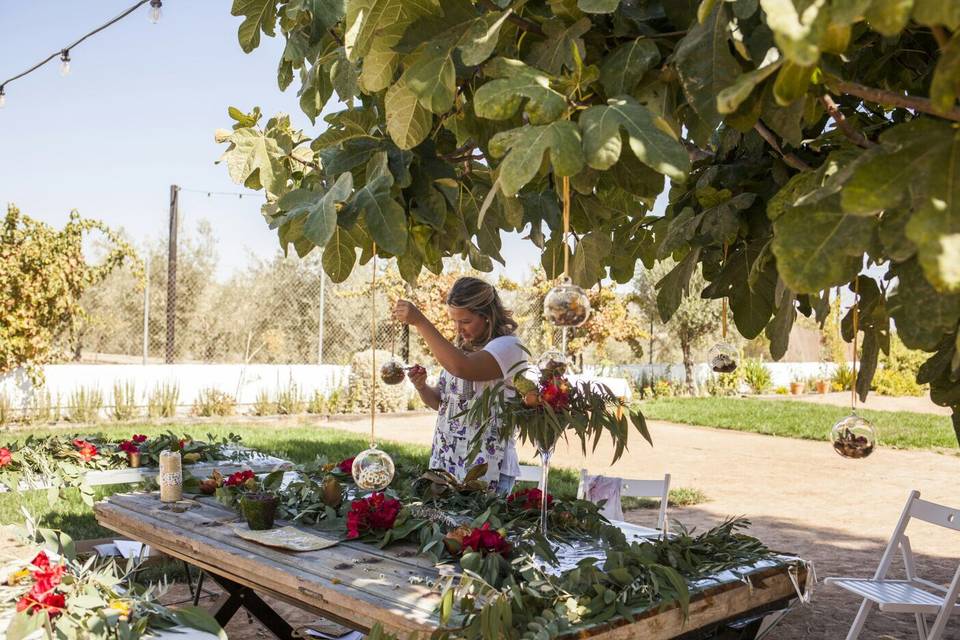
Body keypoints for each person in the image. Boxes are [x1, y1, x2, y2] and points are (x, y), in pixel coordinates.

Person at [392, 277, 526, 496]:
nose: (458, 328)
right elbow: (441, 403)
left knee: (478, 530)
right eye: (454, 321)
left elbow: (463, 368)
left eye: (465, 321)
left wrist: (420, 321)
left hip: (486, 468)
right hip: (448, 463)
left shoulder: (509, 347)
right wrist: (422, 387)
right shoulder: (462, 349)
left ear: (487, 316)